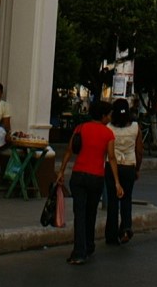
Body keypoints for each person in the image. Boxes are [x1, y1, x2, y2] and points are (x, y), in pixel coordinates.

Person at [56, 98, 116, 265]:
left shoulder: (80, 128)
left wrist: (61, 171)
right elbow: (111, 158)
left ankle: (79, 251)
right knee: (91, 213)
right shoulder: (108, 133)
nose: (110, 118)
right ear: (103, 116)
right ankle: (88, 246)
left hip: (78, 176)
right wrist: (117, 182)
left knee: (79, 214)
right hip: (96, 177)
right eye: (109, 115)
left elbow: (69, 151)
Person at [104, 98, 144, 246]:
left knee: (113, 202)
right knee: (126, 199)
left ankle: (111, 235)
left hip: (111, 166)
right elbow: (139, 151)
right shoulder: (135, 127)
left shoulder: (108, 127)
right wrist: (137, 169)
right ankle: (126, 228)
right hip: (129, 166)